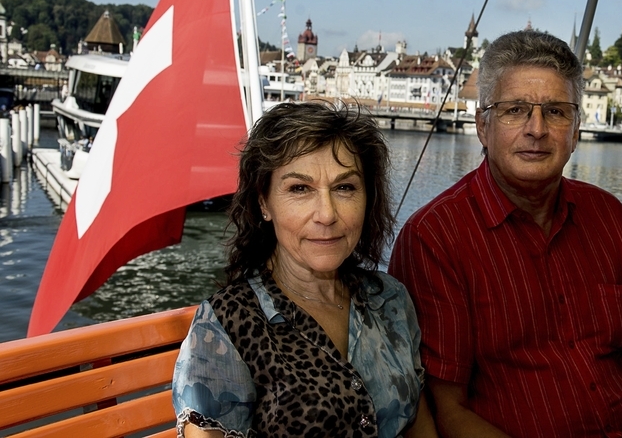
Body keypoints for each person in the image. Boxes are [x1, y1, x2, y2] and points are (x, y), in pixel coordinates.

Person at [389, 30, 622, 438]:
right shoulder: (435, 238)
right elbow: (447, 411)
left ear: (576, 129)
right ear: (482, 126)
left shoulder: (609, 216)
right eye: (515, 110)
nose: (537, 129)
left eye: (557, 112)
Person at [173, 101, 436, 438]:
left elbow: (420, 423)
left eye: (345, 187)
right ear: (264, 203)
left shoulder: (388, 299)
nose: (326, 213)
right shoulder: (226, 325)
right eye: (300, 189)